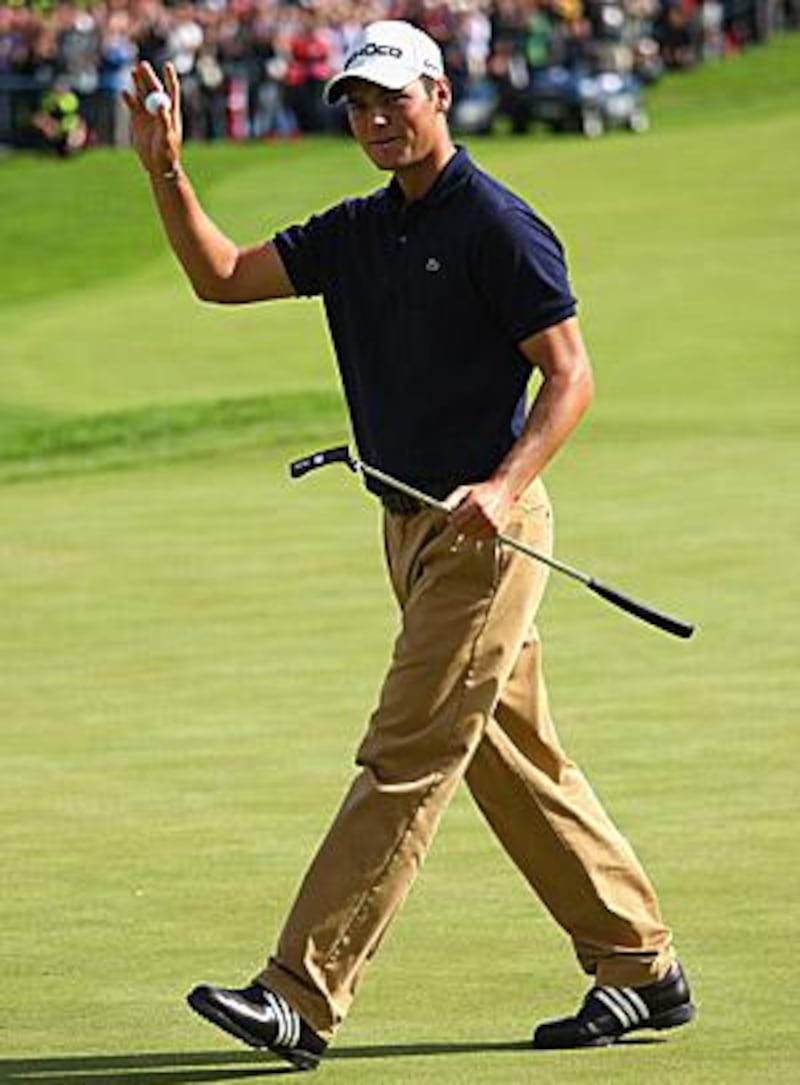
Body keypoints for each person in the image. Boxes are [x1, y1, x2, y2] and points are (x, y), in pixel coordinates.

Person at [123, 20, 695, 1072]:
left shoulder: (496, 224)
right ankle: (638, 963)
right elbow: (219, 276)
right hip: (407, 529)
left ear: (438, 93)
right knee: (513, 761)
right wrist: (167, 171)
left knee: (404, 756)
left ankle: (299, 992)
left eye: (394, 99)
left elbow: (569, 374)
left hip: (488, 532)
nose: (376, 120)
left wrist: (504, 481)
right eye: (358, 104)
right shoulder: (357, 229)